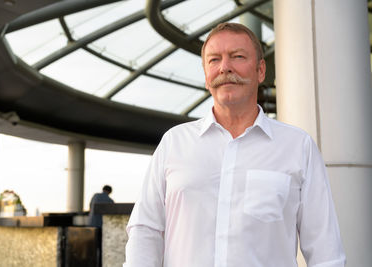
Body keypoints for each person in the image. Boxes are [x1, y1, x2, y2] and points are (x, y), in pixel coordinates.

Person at [124, 22, 346, 267]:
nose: (225, 67)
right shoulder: (174, 143)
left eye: (237, 57)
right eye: (214, 60)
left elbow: (326, 253)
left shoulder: (298, 147)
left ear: (261, 71)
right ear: (206, 75)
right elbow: (145, 230)